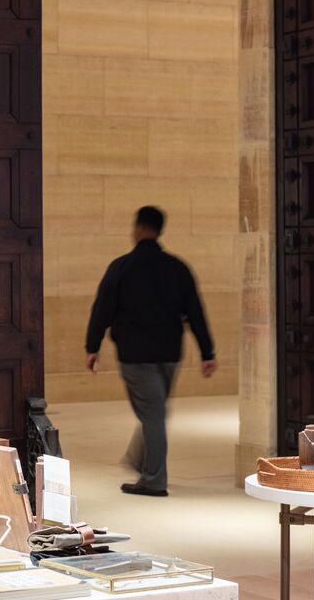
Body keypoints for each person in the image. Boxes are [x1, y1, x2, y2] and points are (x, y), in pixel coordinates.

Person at [84, 206, 216, 497]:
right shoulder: (177, 267)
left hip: (136, 355)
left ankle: (154, 479)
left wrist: (92, 347)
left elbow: (102, 309)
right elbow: (196, 311)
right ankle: (139, 458)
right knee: (154, 410)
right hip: (170, 353)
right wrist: (207, 352)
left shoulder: (121, 267)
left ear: (138, 229)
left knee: (153, 414)